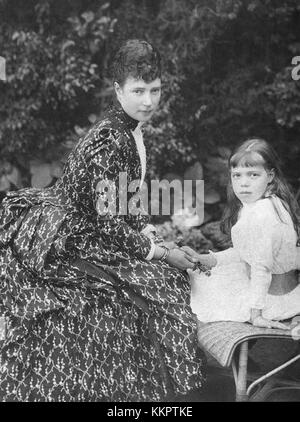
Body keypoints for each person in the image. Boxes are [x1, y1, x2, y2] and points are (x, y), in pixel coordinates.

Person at [0, 39, 207, 402]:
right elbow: (107, 223)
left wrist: (149, 232)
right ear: (118, 90)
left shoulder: (133, 131)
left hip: (96, 227)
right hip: (70, 238)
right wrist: (158, 254)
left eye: (155, 90)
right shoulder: (111, 138)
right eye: (138, 90)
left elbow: (127, 197)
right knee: (159, 291)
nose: (148, 100)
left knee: (169, 276)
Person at [188, 138, 300, 329]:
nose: (243, 183)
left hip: (271, 299)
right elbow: (244, 252)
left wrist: (256, 314)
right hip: (267, 285)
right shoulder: (262, 202)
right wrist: (207, 259)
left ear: (270, 176)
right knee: (195, 276)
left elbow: (261, 267)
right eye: (237, 175)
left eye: (253, 175)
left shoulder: (264, 213)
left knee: (195, 288)